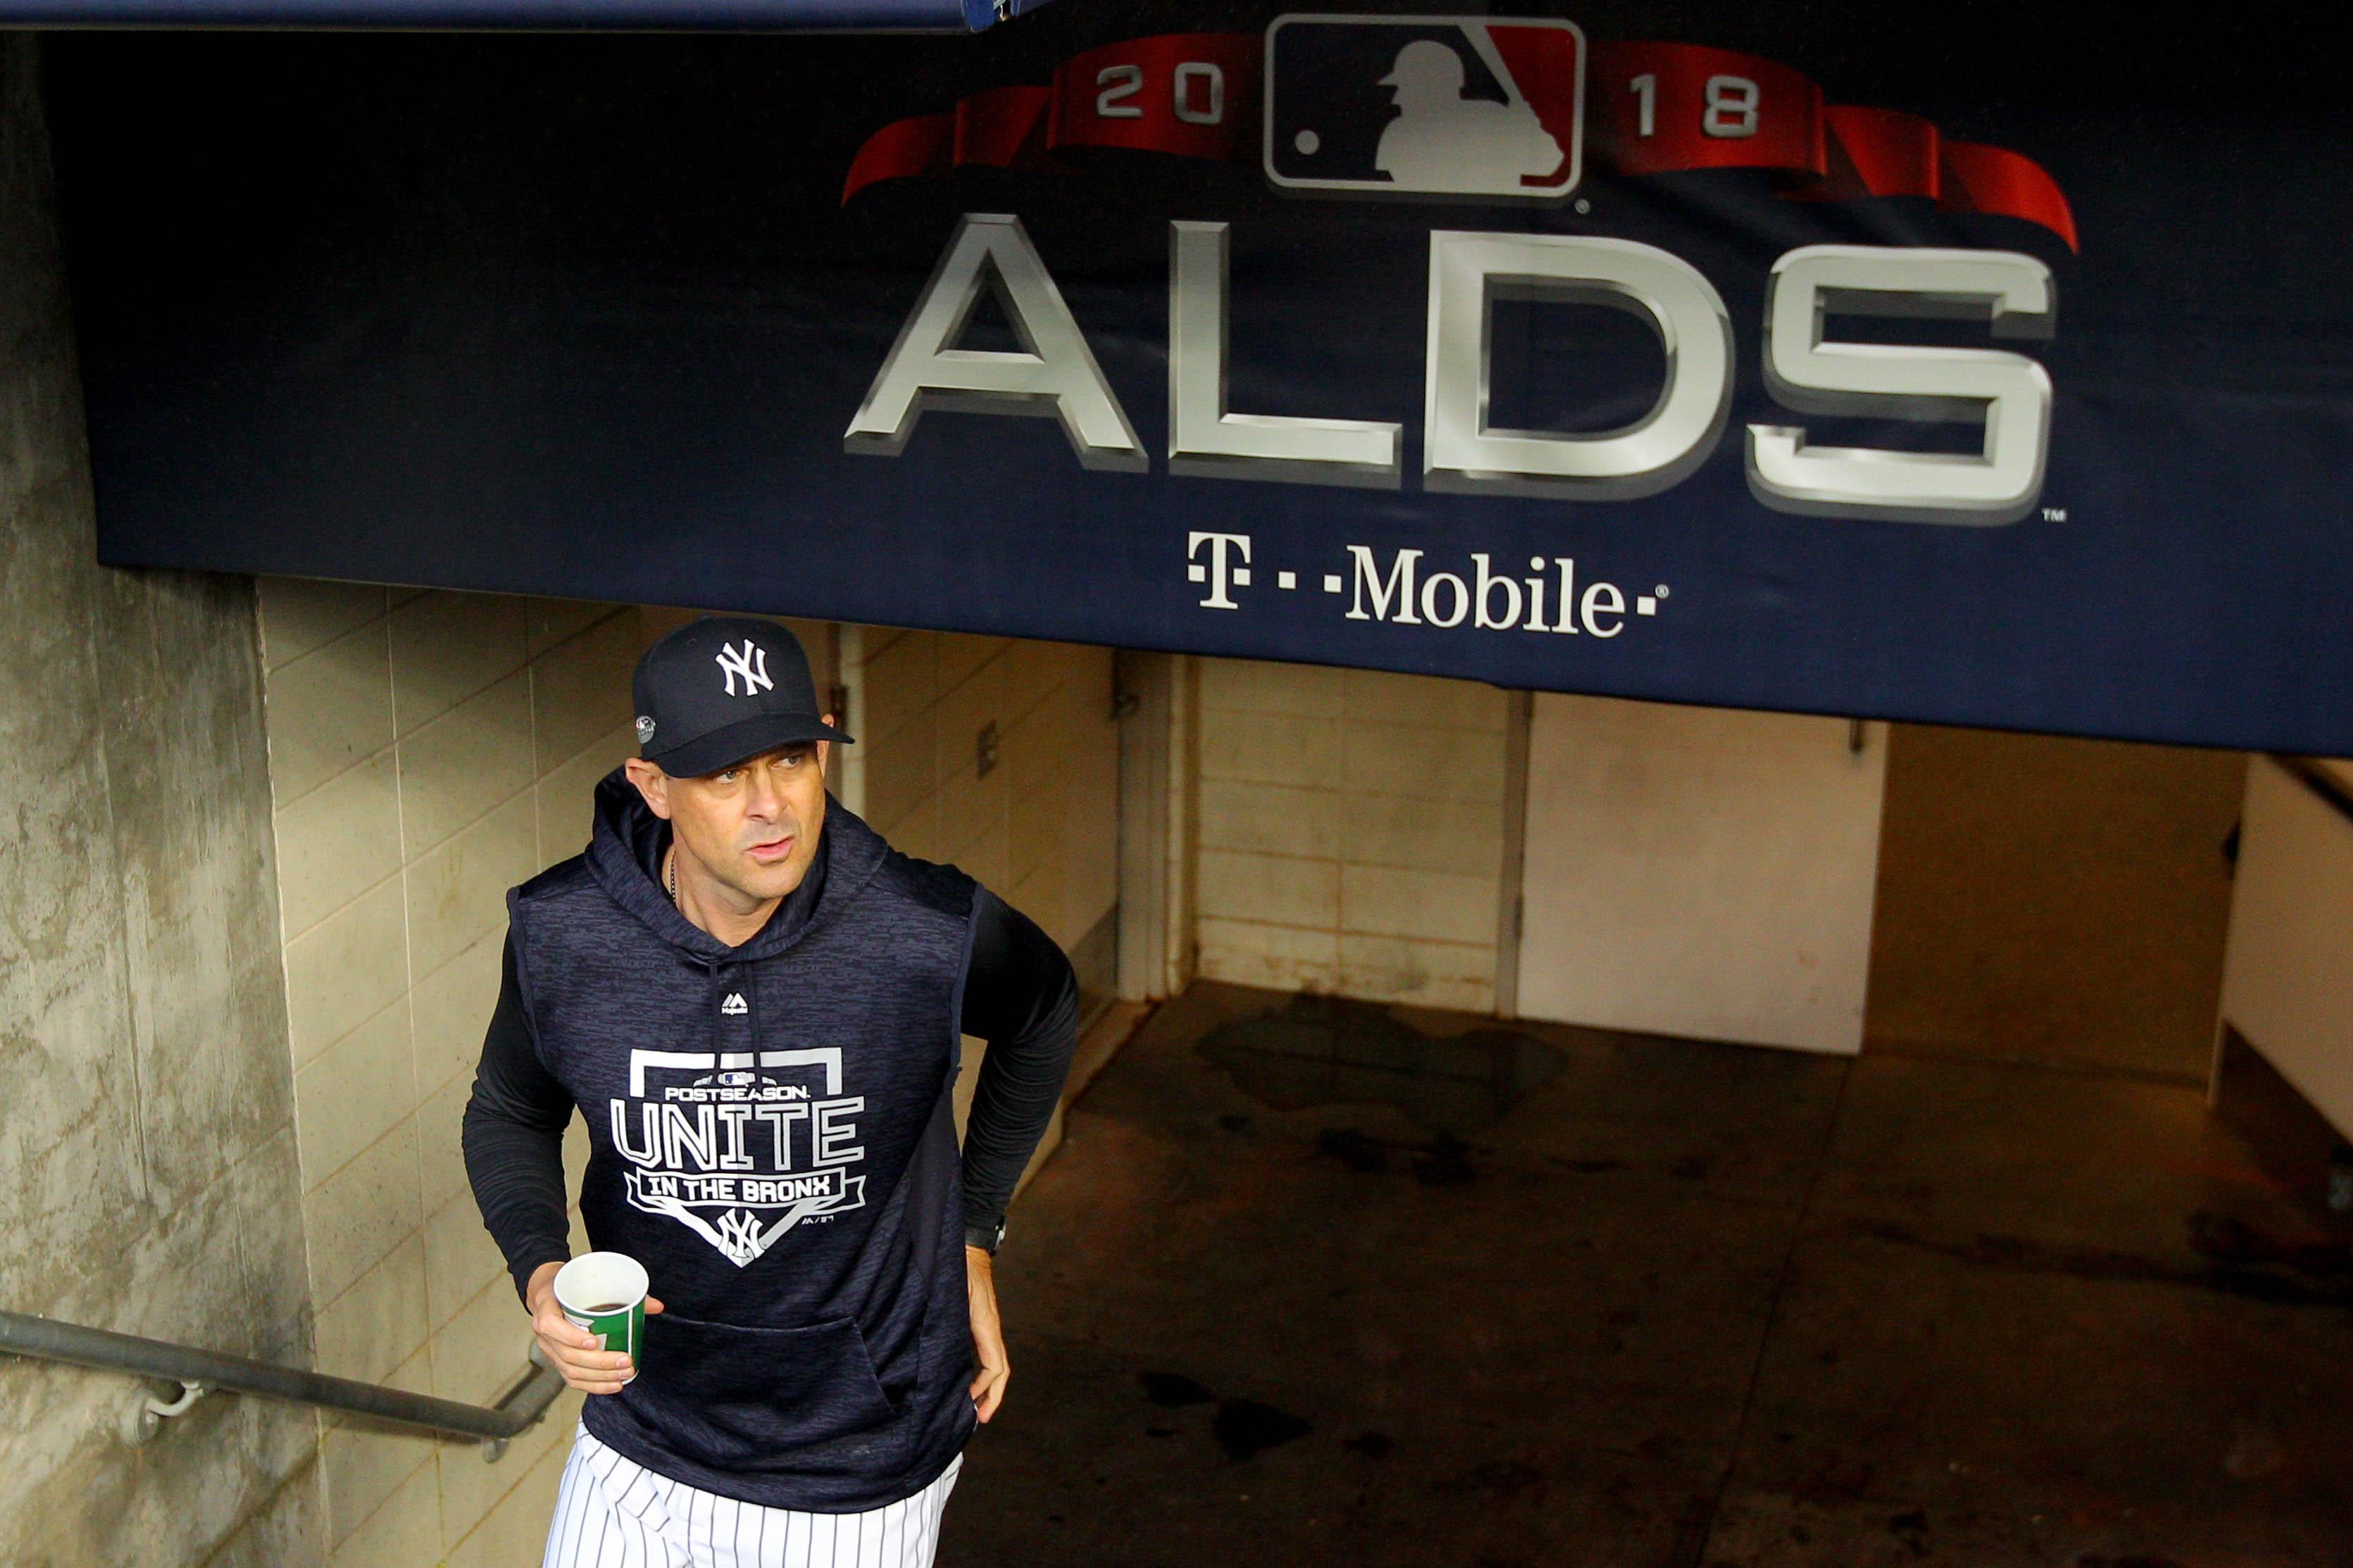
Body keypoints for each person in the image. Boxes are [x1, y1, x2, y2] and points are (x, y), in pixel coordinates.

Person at [463, 615, 1078, 1568]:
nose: (771, 805)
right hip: (644, 1438)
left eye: (791, 758)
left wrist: (974, 1232)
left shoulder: (922, 929)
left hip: (856, 1469)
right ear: (653, 787)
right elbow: (511, 1107)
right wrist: (541, 1270)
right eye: (725, 773)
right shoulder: (563, 932)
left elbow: (1045, 1010)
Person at [1374, 37, 1562, 196]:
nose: (1397, 99)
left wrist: (1527, 131)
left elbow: (1549, 163)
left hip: (1493, 228)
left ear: (1434, 86)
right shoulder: (1400, 132)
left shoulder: (1494, 118)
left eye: (1407, 87)